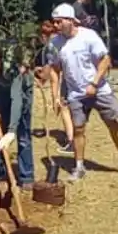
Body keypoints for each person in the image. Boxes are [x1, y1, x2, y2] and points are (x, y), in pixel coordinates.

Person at [49, 3, 118, 180]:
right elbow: (55, 70)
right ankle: (79, 167)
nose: (55, 26)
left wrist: (94, 84)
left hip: (100, 90)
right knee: (78, 129)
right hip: (75, 94)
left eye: (59, 22)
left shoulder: (89, 37)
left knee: (113, 123)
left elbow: (105, 60)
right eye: (54, 22)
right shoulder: (55, 43)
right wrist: (55, 95)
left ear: (70, 20)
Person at [0, 47, 35, 187]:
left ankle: (26, 176)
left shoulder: (13, 70)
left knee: (22, 137)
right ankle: (0, 173)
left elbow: (17, 100)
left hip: (23, 92)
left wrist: (11, 130)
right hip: (3, 90)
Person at [38, 20, 75, 152]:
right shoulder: (66, 40)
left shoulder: (51, 46)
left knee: (64, 107)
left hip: (67, 80)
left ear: (43, 36)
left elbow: (53, 75)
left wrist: (55, 98)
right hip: (76, 78)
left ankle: (71, 140)